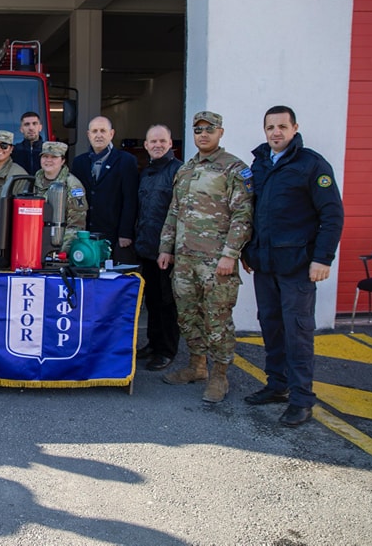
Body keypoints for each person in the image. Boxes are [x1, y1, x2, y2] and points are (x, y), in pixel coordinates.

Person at [242, 105, 344, 427]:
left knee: (297, 332)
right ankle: (277, 385)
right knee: (270, 325)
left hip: (298, 266)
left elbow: (332, 215)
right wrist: (247, 250)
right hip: (265, 264)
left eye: (282, 126)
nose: (276, 132)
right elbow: (253, 212)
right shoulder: (260, 163)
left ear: (295, 128)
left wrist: (322, 259)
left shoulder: (311, 164)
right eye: (270, 127)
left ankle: (301, 400)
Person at [157, 111, 253, 403]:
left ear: (220, 132)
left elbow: (243, 216)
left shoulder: (234, 168)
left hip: (216, 262)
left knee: (217, 320)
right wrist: (166, 247)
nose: (203, 134)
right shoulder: (186, 169)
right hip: (185, 260)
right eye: (198, 130)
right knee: (187, 316)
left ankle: (219, 375)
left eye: (209, 129)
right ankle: (197, 366)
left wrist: (230, 255)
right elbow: (174, 211)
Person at [134, 125, 183, 371]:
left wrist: (170, 249)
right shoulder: (147, 172)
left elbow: (181, 214)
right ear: (146, 145)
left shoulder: (178, 171)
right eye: (153, 141)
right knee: (152, 301)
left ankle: (166, 350)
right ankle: (153, 344)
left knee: (167, 303)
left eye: (162, 141)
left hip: (166, 251)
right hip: (147, 248)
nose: (157, 145)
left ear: (170, 143)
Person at [70, 116, 139, 264]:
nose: (98, 135)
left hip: (115, 235)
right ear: (88, 135)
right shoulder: (79, 162)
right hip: (85, 235)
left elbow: (131, 200)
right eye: (94, 131)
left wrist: (125, 233)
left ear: (111, 134)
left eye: (103, 131)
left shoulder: (126, 161)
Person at [33, 142, 87, 254]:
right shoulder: (33, 181)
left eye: (54, 157)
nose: (48, 160)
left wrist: (63, 252)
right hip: (34, 244)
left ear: (62, 161)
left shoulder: (72, 185)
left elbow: (76, 224)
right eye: (45, 156)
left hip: (57, 246)